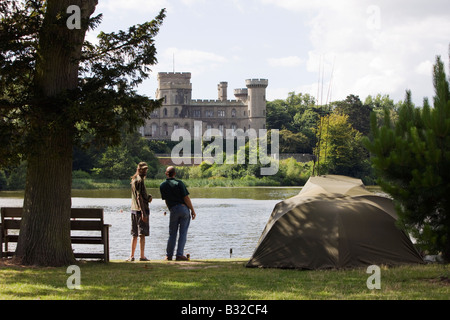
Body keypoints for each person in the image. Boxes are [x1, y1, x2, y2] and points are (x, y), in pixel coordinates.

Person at [160, 166, 196, 261]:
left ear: (166, 173)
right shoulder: (179, 183)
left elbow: (166, 200)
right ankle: (179, 255)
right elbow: (186, 198)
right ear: (175, 174)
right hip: (183, 209)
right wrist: (192, 210)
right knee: (183, 233)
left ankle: (169, 255)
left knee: (172, 233)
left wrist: (171, 209)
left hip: (173, 209)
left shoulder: (162, 185)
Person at [127, 162, 152, 262]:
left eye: (146, 169)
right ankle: (142, 256)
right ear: (139, 169)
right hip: (140, 210)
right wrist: (143, 212)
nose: (145, 171)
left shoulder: (134, 180)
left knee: (134, 234)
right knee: (141, 234)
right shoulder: (139, 180)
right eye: (143, 169)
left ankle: (132, 256)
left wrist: (148, 198)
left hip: (133, 210)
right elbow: (139, 197)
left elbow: (141, 196)